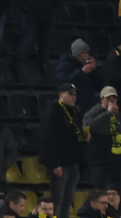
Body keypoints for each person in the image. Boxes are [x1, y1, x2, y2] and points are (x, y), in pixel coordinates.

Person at [41, 83, 86, 218]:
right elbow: (48, 139)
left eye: (75, 94)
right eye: (70, 94)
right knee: (58, 200)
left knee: (67, 200)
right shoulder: (53, 111)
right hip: (60, 163)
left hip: (73, 162)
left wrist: (84, 138)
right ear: (61, 94)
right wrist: (54, 164)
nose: (74, 97)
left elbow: (73, 136)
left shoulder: (74, 111)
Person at [82, 86, 121, 189]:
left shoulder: (119, 117)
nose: (112, 101)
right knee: (102, 194)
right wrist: (107, 113)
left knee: (117, 196)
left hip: (117, 164)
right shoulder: (93, 113)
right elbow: (89, 127)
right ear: (101, 99)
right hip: (100, 164)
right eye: (109, 98)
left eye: (114, 99)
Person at [55, 39, 107, 116]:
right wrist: (81, 72)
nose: (86, 56)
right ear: (76, 54)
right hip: (75, 106)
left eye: (87, 53)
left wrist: (94, 70)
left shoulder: (88, 66)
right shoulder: (65, 65)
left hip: (89, 106)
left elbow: (100, 85)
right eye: (83, 53)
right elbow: (62, 82)